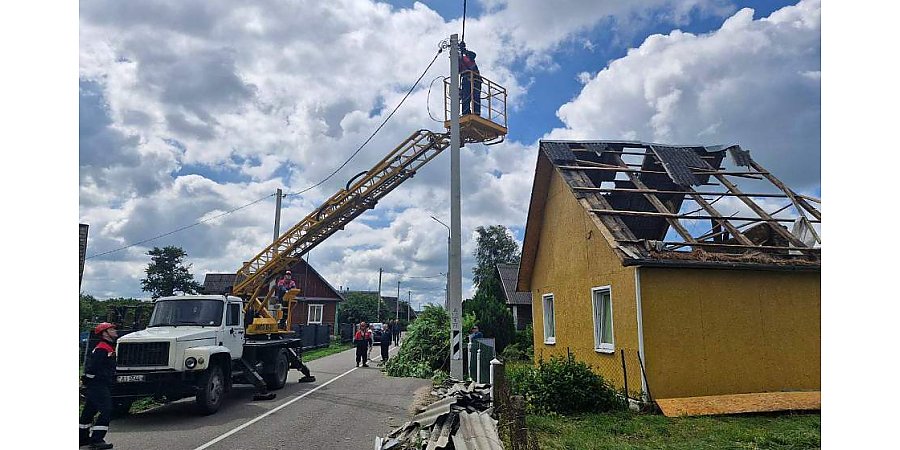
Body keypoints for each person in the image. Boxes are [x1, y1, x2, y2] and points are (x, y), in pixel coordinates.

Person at [79, 322, 118, 449]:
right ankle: (97, 439)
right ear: (104, 333)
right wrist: (87, 381)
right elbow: (93, 368)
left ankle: (82, 439)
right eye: (111, 329)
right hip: (98, 384)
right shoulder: (102, 348)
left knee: (89, 412)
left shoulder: (107, 347)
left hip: (99, 384)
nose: (115, 331)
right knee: (107, 410)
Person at [459, 42, 481, 116]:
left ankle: (476, 112)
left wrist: (464, 50)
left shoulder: (468, 58)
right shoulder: (459, 61)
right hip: (467, 79)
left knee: (475, 97)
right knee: (466, 96)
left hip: (475, 79)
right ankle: (466, 112)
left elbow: (473, 55)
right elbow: (457, 71)